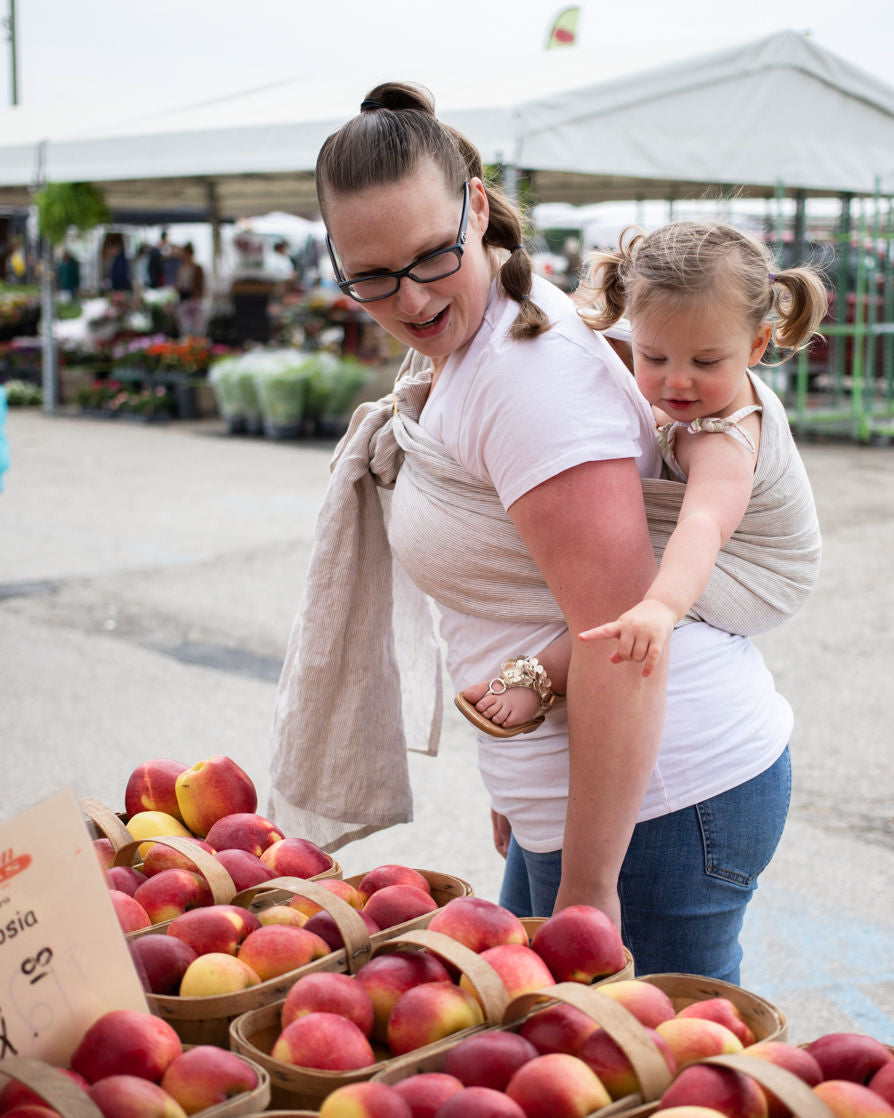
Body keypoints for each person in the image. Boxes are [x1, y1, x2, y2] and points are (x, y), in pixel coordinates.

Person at [267, 82, 806, 984]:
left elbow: (618, 641)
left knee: (667, 1059)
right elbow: (525, 594)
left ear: (476, 207)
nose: (410, 297)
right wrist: (522, 796)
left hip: (665, 805)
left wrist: (588, 888)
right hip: (595, 797)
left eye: (433, 256)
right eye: (371, 276)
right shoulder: (468, 340)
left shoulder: (531, 381)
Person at [457, 221, 827, 735]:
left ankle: (542, 676)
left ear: (757, 345)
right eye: (653, 357)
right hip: (737, 541)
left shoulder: (726, 442)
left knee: (626, 585)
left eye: (705, 361)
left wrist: (660, 606)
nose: (677, 380)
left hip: (765, 573)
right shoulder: (694, 389)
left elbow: (702, 526)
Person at [174, 242, 206, 337]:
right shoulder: (181, 268)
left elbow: (201, 285)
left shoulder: (197, 268)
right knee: (185, 327)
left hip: (194, 299)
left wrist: (197, 297)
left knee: (197, 327)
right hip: (183, 298)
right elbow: (179, 284)